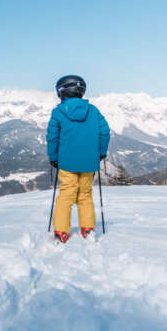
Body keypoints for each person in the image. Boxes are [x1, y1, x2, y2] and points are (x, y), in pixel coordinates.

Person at [47, 75, 110, 243]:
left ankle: (61, 232)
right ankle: (88, 229)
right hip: (89, 163)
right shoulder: (93, 110)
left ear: (63, 92)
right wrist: (101, 153)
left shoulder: (58, 112)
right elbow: (105, 132)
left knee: (66, 195)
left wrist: (53, 158)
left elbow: (52, 137)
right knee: (85, 195)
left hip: (66, 163)